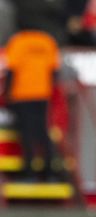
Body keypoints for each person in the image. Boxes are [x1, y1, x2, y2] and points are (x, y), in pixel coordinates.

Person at [4, 30, 61, 182]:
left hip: (22, 93)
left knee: (26, 133)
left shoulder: (18, 41)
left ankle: (28, 171)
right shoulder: (47, 40)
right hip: (42, 93)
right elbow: (54, 71)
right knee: (42, 131)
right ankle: (49, 170)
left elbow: (11, 70)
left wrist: (7, 93)